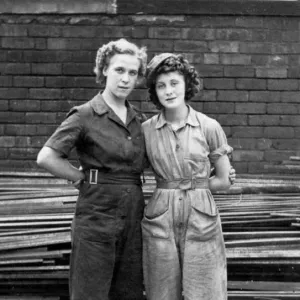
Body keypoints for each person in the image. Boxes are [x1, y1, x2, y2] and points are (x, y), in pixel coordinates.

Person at [36, 38, 148, 300]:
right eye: (119, 70)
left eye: (133, 73)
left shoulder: (138, 120)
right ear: (105, 70)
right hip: (96, 214)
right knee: (90, 293)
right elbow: (47, 156)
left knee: (128, 292)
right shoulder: (85, 114)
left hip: (133, 214)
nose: (125, 79)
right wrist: (79, 178)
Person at [141, 53, 233, 300]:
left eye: (174, 83)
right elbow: (130, 169)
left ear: (187, 85)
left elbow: (224, 180)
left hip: (201, 215)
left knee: (206, 290)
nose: (168, 91)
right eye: (161, 86)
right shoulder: (146, 130)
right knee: (160, 291)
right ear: (154, 91)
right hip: (160, 215)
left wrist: (197, 186)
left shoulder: (209, 126)